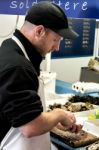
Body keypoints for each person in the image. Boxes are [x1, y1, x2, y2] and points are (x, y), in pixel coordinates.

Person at [0, 1, 82, 150]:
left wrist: (51, 123)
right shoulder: (18, 66)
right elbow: (30, 127)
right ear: (39, 31)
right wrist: (59, 114)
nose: (57, 47)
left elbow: (21, 112)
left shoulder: (12, 48)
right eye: (56, 40)